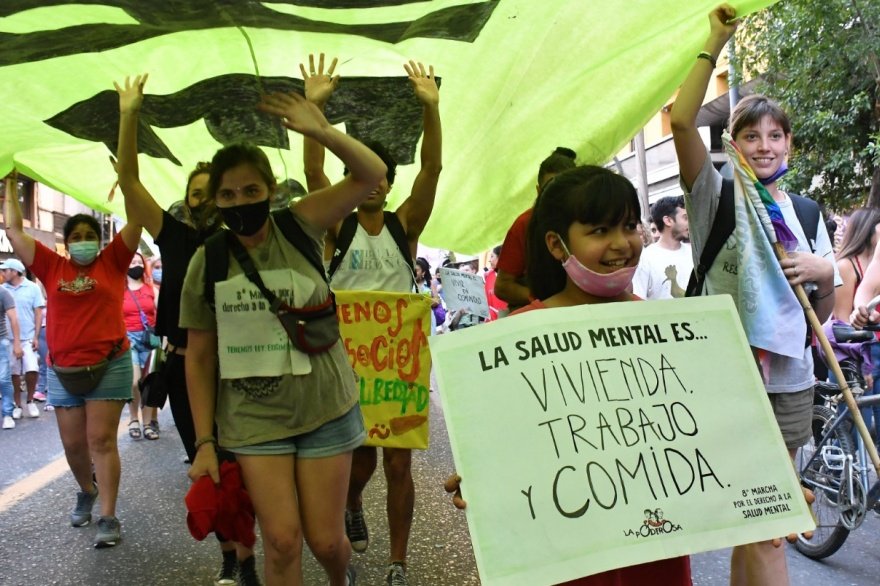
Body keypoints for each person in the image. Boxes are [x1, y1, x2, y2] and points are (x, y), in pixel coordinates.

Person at [446, 165, 692, 585]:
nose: (621, 243)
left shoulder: (673, 331)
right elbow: (503, 443)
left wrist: (769, 484)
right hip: (564, 562)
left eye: (630, 226)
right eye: (599, 230)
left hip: (655, 558)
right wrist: (483, 475)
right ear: (557, 246)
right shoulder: (509, 339)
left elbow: (710, 427)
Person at [181, 84, 387, 586]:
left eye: (251, 191)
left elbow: (371, 175)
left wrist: (320, 129)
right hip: (255, 420)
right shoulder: (207, 261)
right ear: (214, 202)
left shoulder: (301, 224)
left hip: (325, 407)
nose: (240, 203)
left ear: (271, 191)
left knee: (326, 541)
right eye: (227, 195)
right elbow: (200, 359)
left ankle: (341, 578)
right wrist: (205, 442)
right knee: (281, 541)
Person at [670, 5, 838, 585]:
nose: (763, 145)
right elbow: (681, 123)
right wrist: (714, 43)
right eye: (750, 135)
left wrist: (823, 270)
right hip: (725, 380)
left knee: (762, 525)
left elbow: (822, 314)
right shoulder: (714, 196)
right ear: (733, 142)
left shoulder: (809, 213)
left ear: (788, 143)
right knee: (760, 524)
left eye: (774, 135)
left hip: (789, 382)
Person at [302, 54, 442, 586]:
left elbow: (432, 169)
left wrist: (432, 108)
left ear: (388, 182)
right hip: (346, 361)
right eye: (364, 174)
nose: (375, 183)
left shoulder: (405, 226)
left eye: (383, 175)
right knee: (358, 462)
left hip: (400, 360)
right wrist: (315, 108)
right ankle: (353, 503)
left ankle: (398, 563)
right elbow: (314, 171)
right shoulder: (337, 228)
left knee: (400, 465)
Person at [114, 74, 258, 584]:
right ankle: (233, 557)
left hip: (239, 366)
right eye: (194, 194)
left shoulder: (242, 241)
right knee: (208, 462)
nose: (200, 201)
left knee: (244, 464)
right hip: (182, 370)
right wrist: (129, 112)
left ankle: (249, 552)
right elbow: (130, 183)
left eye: (209, 194)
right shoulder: (172, 236)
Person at [4, 172, 142, 549]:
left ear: (100, 242)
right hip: (63, 368)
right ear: (66, 243)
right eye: (76, 237)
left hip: (110, 364)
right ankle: (87, 489)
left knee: (100, 441)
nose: (83, 242)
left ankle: (109, 517)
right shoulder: (52, 266)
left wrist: (130, 180)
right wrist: (10, 187)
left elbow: (138, 218)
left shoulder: (113, 261)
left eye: (89, 236)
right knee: (73, 445)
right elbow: (14, 232)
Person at [494, 147, 577, 312]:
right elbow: (502, 286)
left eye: (565, 189)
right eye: (550, 188)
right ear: (539, 191)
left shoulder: (589, 220)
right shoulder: (525, 224)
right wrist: (542, 300)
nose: (557, 196)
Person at [834, 209, 880, 442]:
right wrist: (863, 366)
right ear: (869, 231)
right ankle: (833, 477)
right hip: (853, 351)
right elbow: (842, 323)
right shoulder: (846, 266)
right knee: (852, 427)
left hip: (873, 347)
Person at [1, 257, 45, 417]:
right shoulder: (3, 289)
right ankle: (17, 404)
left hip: (27, 337)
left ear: (14, 271)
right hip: (8, 338)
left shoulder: (32, 288)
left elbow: (38, 312)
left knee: (32, 369)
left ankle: (30, 401)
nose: (2, 273)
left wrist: (36, 336)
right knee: (13, 373)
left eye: (5, 270)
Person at [122, 252, 159, 440]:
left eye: (139, 262)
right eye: (132, 261)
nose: (136, 264)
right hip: (129, 340)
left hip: (151, 339)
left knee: (150, 384)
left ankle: (147, 424)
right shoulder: (118, 290)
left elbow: (162, 315)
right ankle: (133, 418)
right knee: (135, 382)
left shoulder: (151, 289)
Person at [632, 196, 692, 299]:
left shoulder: (693, 253)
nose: (690, 222)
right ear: (668, 220)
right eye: (685, 218)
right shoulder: (645, 258)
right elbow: (638, 299)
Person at [0, 284, 21, 430]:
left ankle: (7, 414)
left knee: (3, 378)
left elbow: (13, 318)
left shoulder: (3, 292)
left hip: (1, 341)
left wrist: (17, 343)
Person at [483, 245, 507, 321]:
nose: (489, 260)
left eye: (492, 256)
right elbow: (487, 303)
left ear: (500, 257)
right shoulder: (488, 276)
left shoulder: (512, 276)